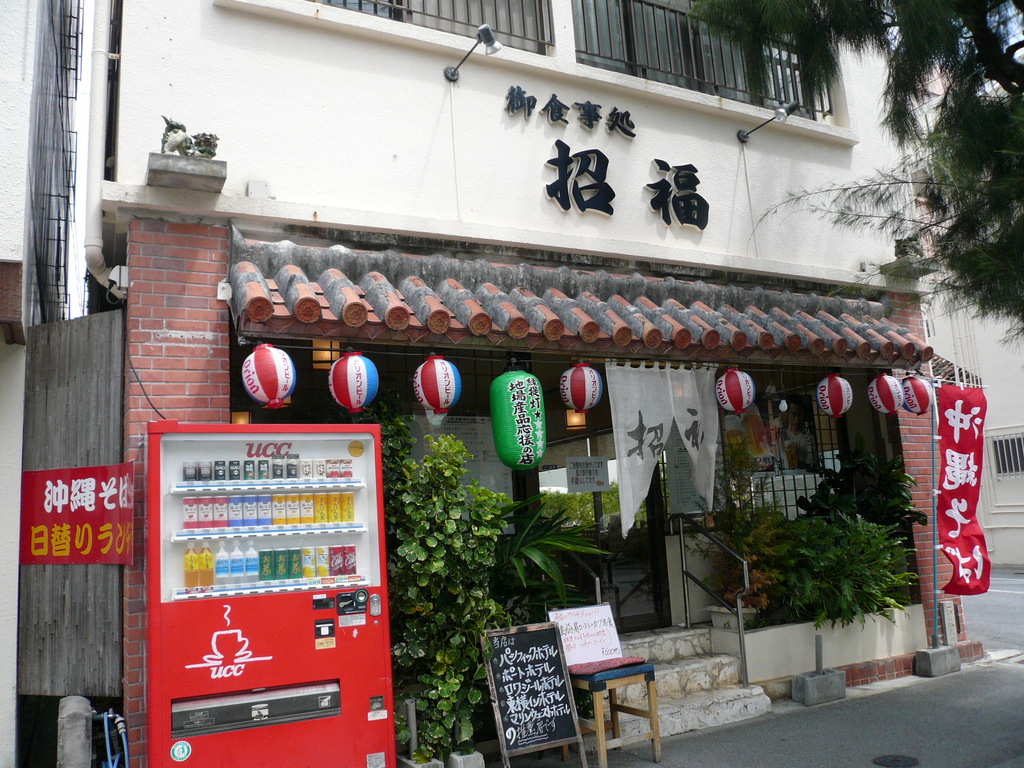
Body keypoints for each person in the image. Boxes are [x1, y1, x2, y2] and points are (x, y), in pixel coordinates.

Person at [779, 397, 818, 470]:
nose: (797, 420)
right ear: (788, 414)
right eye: (793, 415)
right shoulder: (781, 435)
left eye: (799, 415)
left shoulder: (808, 436)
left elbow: (813, 463)